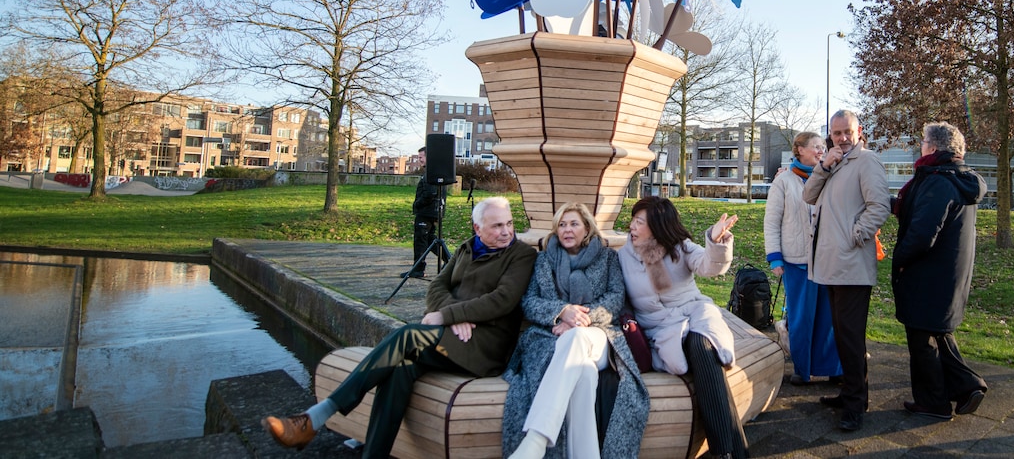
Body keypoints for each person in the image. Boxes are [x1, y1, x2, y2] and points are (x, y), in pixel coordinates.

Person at [261, 196, 537, 458]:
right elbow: (436, 287)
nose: (506, 231)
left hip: (484, 348)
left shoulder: (520, 255)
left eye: (509, 223)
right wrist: (454, 316)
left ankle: (316, 417)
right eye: (498, 225)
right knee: (400, 370)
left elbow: (502, 300)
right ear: (477, 228)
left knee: (406, 336)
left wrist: (447, 315)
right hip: (451, 338)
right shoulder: (467, 247)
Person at [503, 203, 649, 459]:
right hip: (550, 338)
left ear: (587, 228)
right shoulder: (544, 260)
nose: (567, 229)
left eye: (573, 224)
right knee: (583, 374)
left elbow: (615, 299)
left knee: (577, 336)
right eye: (561, 224)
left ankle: (536, 439)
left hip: (600, 337)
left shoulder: (607, 258)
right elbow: (529, 302)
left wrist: (581, 318)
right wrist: (562, 311)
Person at [618, 196, 746, 459]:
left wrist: (715, 240)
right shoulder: (623, 256)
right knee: (706, 359)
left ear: (657, 226)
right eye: (634, 219)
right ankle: (736, 452)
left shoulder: (680, 248)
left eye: (639, 222)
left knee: (703, 346)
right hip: (660, 330)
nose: (632, 226)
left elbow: (709, 267)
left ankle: (724, 453)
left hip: (694, 314)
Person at [891, 121, 988, 419]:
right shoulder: (959, 178)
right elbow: (926, 211)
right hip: (947, 273)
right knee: (936, 334)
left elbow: (924, 232)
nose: (920, 145)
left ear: (933, 147)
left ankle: (937, 400)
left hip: (928, 273)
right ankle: (963, 388)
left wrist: (901, 259)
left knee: (922, 341)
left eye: (922, 141)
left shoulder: (937, 180)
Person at [803, 109, 891, 431]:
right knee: (842, 336)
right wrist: (823, 167)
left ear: (859, 131)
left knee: (851, 339)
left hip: (851, 265)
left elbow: (880, 206)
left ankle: (855, 406)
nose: (841, 138)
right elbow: (808, 196)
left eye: (846, 132)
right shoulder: (833, 163)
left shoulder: (867, 162)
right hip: (829, 264)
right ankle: (852, 393)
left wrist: (855, 236)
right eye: (835, 133)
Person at [764, 131, 843, 386]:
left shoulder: (830, 178)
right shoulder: (784, 181)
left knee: (829, 318)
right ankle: (803, 368)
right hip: (796, 261)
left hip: (826, 260)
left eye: (823, 146)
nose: (821, 150)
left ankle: (833, 368)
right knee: (801, 317)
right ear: (799, 150)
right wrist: (775, 258)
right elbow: (772, 221)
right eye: (816, 147)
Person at [406, 146, 451, 278]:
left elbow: (430, 193)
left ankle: (418, 269)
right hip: (433, 212)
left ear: (428, 157)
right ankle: (450, 260)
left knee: (421, 240)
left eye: (421, 157)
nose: (419, 160)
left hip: (426, 212)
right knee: (431, 239)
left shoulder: (431, 173)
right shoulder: (436, 172)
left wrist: (417, 204)